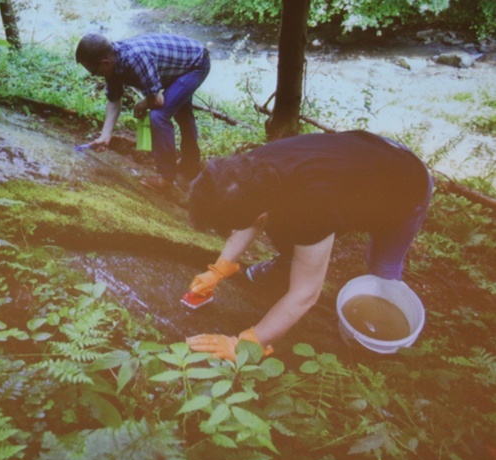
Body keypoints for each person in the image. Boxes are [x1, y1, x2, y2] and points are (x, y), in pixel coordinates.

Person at [184, 130, 433, 360]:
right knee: (287, 228)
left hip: (405, 186)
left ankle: (377, 345)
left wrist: (248, 342)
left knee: (382, 271)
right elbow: (249, 218)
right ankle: (288, 265)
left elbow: (306, 294)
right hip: (364, 162)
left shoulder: (311, 205)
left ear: (259, 215)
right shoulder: (243, 172)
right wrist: (220, 267)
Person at [75, 33, 210, 191]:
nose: (95, 75)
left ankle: (166, 179)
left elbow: (157, 101)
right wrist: (105, 135)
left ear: (105, 63)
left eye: (93, 71)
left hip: (195, 64)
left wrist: (142, 104)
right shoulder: (112, 64)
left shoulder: (136, 59)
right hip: (178, 65)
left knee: (159, 116)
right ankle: (190, 165)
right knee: (182, 112)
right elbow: (114, 100)